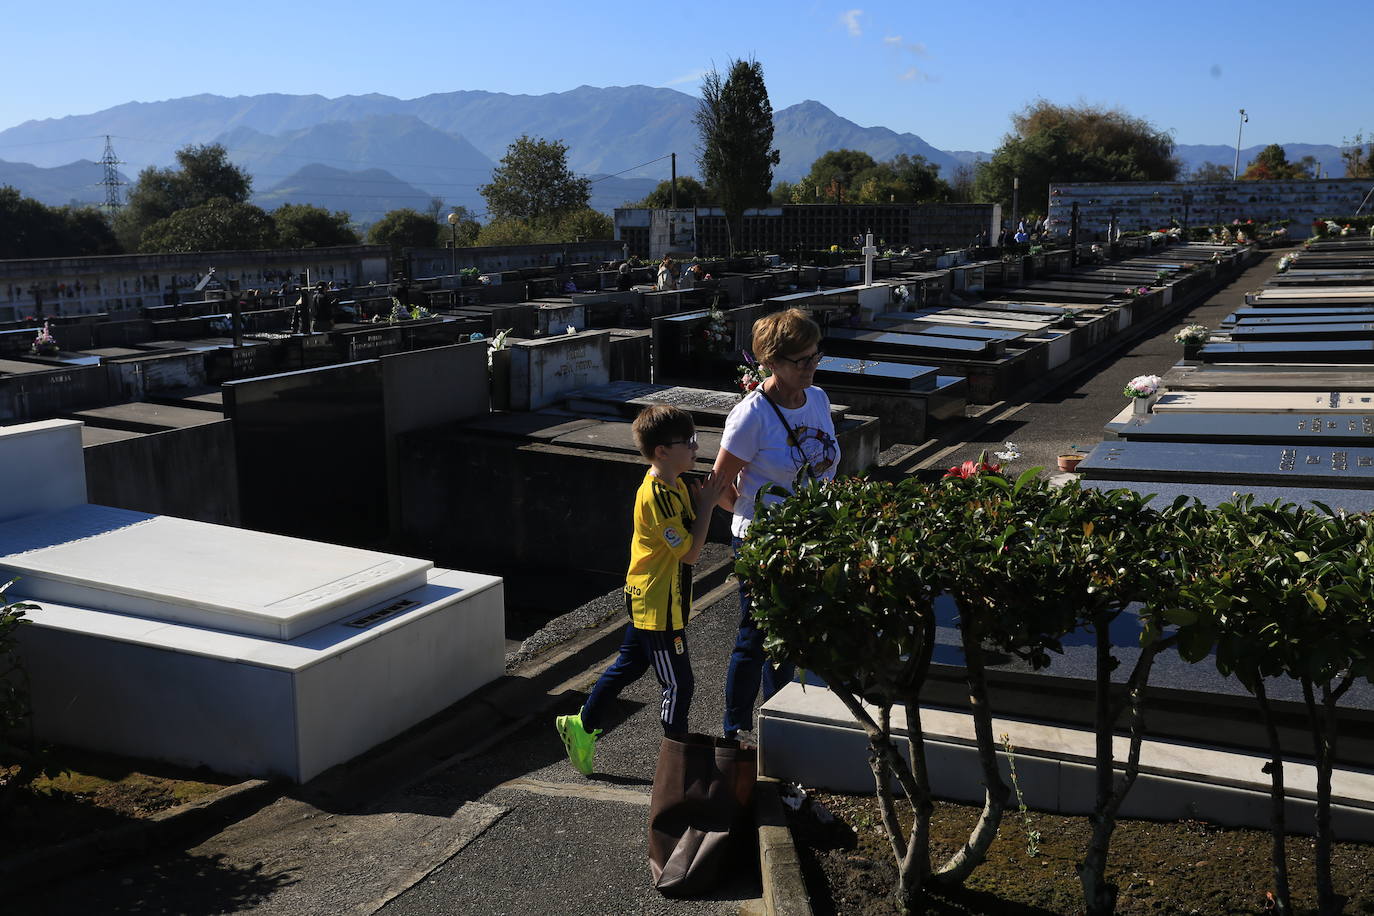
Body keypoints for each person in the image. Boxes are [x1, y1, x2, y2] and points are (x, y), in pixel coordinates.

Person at [555, 405, 726, 775]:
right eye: (689, 442)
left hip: (657, 597)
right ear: (662, 451)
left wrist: (703, 503)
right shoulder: (657, 495)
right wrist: (708, 506)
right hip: (657, 603)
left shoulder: (675, 484)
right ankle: (676, 763)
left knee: (629, 665)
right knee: (679, 684)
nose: (696, 448)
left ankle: (581, 725)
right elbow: (692, 553)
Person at [712, 308, 840, 742]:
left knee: (793, 637)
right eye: (800, 361)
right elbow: (719, 486)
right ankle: (735, 730)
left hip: (811, 536)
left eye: (814, 356)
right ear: (770, 362)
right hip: (764, 543)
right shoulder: (752, 415)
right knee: (755, 636)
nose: (811, 367)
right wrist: (749, 517)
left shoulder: (818, 399)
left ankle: (778, 723)